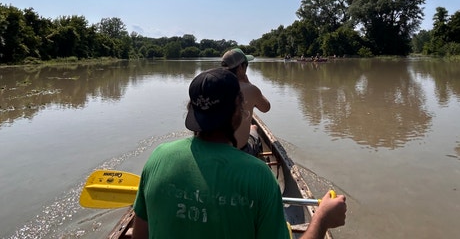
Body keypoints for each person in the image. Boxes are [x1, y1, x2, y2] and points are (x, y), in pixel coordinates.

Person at [131, 68, 346, 239]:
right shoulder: (259, 175)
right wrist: (323, 219)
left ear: (191, 109)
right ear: (238, 110)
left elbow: (140, 236)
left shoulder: (158, 157)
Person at [221, 48, 271, 155]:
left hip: (216, 150)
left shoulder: (212, 86)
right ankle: (257, 161)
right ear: (240, 68)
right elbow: (266, 108)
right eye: (246, 65)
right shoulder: (250, 89)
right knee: (254, 127)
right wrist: (250, 84)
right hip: (241, 151)